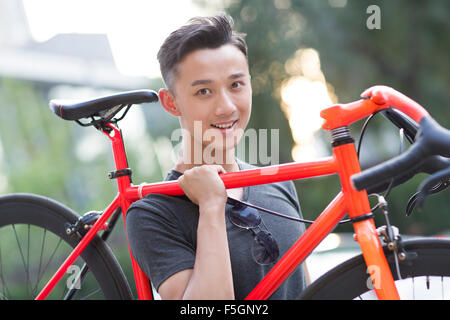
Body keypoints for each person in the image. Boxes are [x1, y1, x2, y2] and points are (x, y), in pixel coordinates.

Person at [126, 13, 307, 300]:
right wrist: (211, 205)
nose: (225, 107)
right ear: (171, 103)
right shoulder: (153, 214)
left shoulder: (279, 183)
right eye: (204, 91)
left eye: (236, 85)